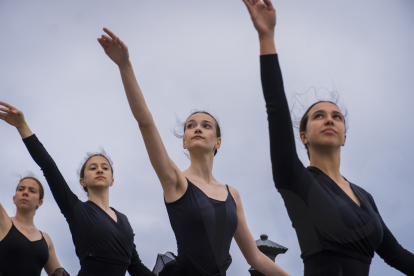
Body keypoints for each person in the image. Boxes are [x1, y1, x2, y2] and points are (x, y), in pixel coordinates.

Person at [97, 28, 289, 276]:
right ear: (184, 142)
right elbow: (146, 123)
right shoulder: (176, 181)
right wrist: (125, 65)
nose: (197, 128)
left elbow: (256, 257)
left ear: (217, 142)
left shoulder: (233, 195)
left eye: (206, 125)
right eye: (191, 126)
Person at [242, 0, 414, 275]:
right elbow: (275, 108)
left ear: (345, 136)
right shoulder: (296, 180)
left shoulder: (365, 197)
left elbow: (399, 257)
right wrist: (266, 37)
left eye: (337, 116)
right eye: (318, 116)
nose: (330, 119)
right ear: (303, 136)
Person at [0, 101, 154, 276]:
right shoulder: (76, 209)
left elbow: (136, 267)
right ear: (83, 181)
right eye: (92, 167)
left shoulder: (124, 221)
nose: (99, 169)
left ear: (112, 180)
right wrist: (22, 126)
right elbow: (49, 167)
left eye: (105, 167)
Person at [0, 175, 69, 276]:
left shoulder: (46, 239)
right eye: (21, 189)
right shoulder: (3, 221)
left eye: (32, 191)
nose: (25, 192)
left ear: (39, 202)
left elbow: (58, 273)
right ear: (14, 198)